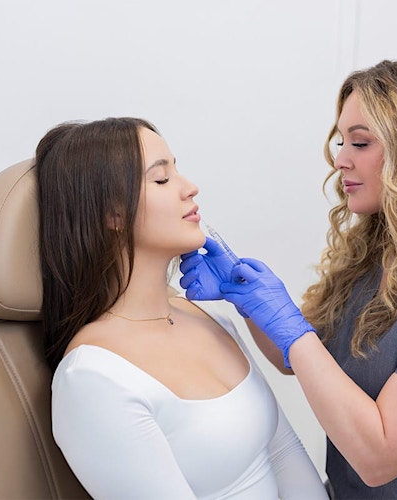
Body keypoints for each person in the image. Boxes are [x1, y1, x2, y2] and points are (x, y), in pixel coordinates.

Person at [180, 55, 397, 498]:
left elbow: (379, 456)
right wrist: (247, 300)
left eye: (360, 143)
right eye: (342, 141)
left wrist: (287, 321)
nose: (340, 160)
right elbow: (299, 359)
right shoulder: (378, 250)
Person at [37, 117, 328, 499]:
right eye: (161, 179)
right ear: (113, 214)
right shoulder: (92, 378)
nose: (190, 187)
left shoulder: (211, 319)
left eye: (176, 170)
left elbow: (284, 453)